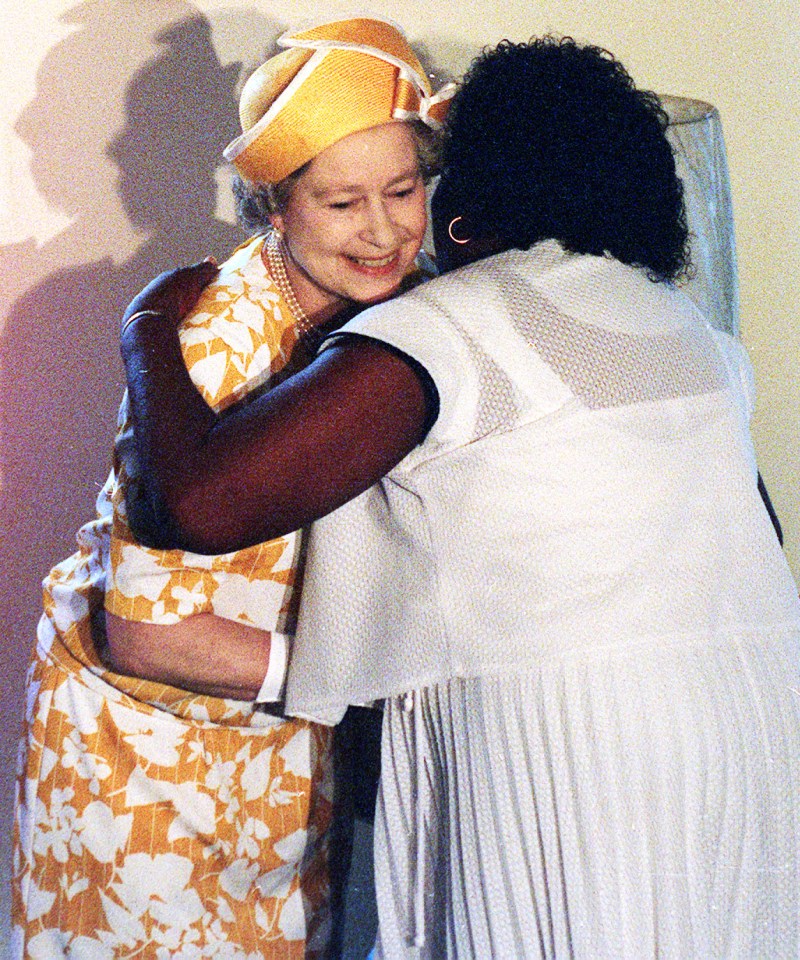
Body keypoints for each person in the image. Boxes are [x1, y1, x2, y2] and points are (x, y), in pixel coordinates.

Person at [116, 36, 800, 959]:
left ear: (469, 178)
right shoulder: (689, 330)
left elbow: (198, 501)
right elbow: (754, 539)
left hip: (576, 747)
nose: (397, 222)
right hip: (748, 735)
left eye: (408, 189)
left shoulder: (448, 326)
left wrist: (146, 324)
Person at [12, 16, 452, 959]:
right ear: (274, 207)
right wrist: (364, 681)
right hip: (134, 778)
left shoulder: (406, 308)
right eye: (341, 204)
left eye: (403, 190)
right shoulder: (213, 346)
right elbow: (146, 629)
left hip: (274, 760)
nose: (382, 231)